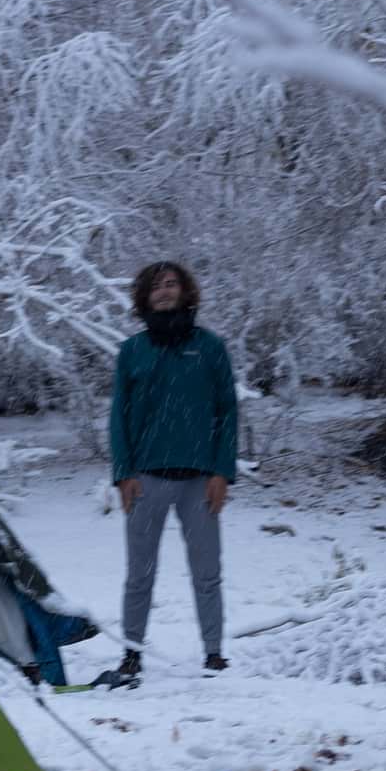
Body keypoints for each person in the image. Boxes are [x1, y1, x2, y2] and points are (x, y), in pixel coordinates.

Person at [108, 261, 238, 677]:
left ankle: (214, 652)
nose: (164, 292)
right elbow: (119, 417)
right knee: (139, 574)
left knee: (207, 572)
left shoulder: (210, 347)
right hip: (145, 479)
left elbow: (227, 412)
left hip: (199, 480)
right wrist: (123, 472)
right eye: (155, 287)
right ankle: (131, 653)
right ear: (144, 298)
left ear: (185, 292)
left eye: (171, 284)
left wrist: (222, 472)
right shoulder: (132, 352)